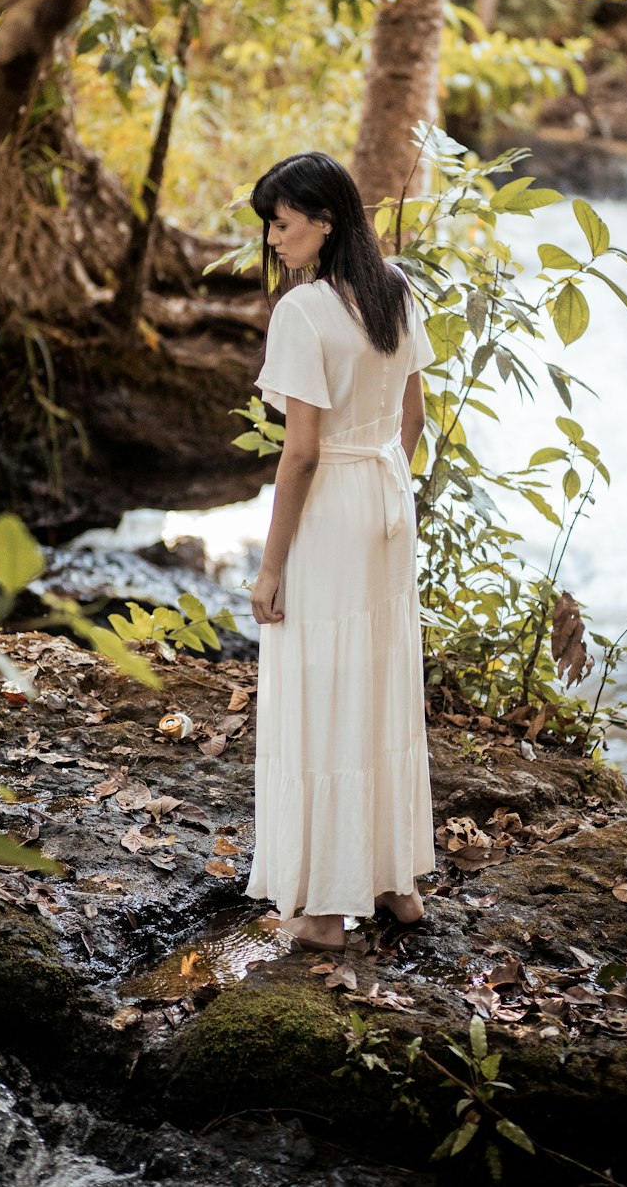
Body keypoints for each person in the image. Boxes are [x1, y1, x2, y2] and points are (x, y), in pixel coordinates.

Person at [245, 151, 437, 953]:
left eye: (282, 224)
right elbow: (415, 419)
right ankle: (395, 882)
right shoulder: (394, 287)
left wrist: (271, 565)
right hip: (386, 499)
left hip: (331, 511)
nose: (275, 240)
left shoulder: (303, 311)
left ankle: (323, 909)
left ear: (324, 221)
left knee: (321, 691)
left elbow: (301, 453)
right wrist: (383, 485)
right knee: (382, 682)